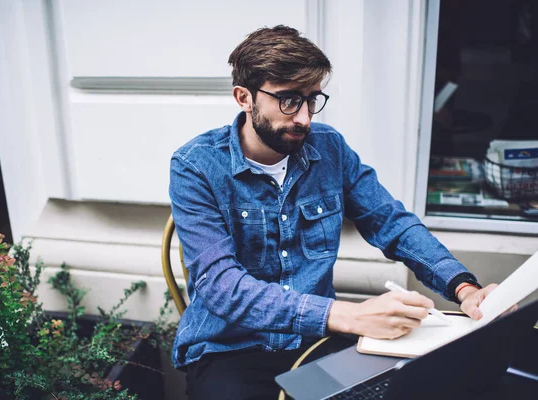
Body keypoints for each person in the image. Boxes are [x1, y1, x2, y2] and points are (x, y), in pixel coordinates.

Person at [169, 25, 496, 400]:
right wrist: (347, 315)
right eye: (290, 100)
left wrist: (463, 286)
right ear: (244, 97)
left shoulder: (329, 148)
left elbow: (391, 222)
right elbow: (221, 286)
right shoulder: (194, 166)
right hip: (228, 347)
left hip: (314, 342)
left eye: (312, 99)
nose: (305, 118)